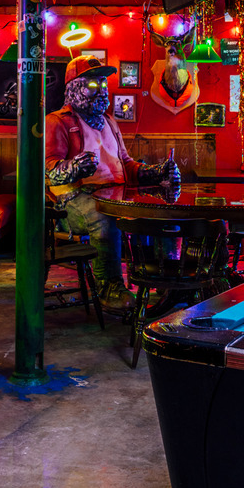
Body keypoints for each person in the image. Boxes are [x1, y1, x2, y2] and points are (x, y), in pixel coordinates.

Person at [45, 54, 179, 310]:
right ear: (74, 87)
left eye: (103, 83)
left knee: (161, 213)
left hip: (117, 196)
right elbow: (49, 172)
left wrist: (154, 173)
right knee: (105, 220)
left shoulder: (109, 121)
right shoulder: (57, 122)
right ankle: (110, 288)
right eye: (93, 84)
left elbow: (126, 164)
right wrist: (75, 167)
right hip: (72, 202)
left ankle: (165, 281)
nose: (101, 89)